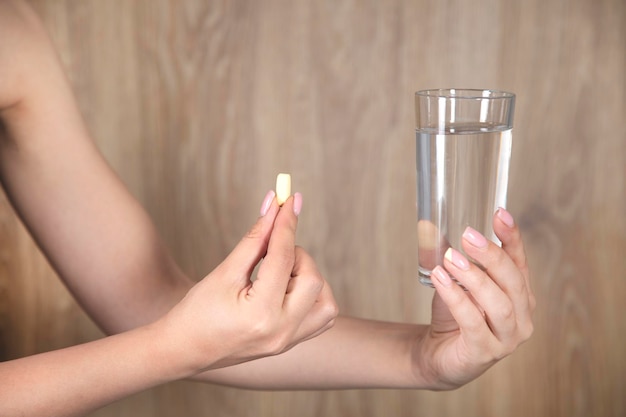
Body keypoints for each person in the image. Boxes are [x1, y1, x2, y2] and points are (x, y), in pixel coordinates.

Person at [0, 1, 535, 416]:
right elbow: (169, 335)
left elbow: (153, 303)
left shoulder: (14, 32)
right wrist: (170, 348)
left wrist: (423, 358)